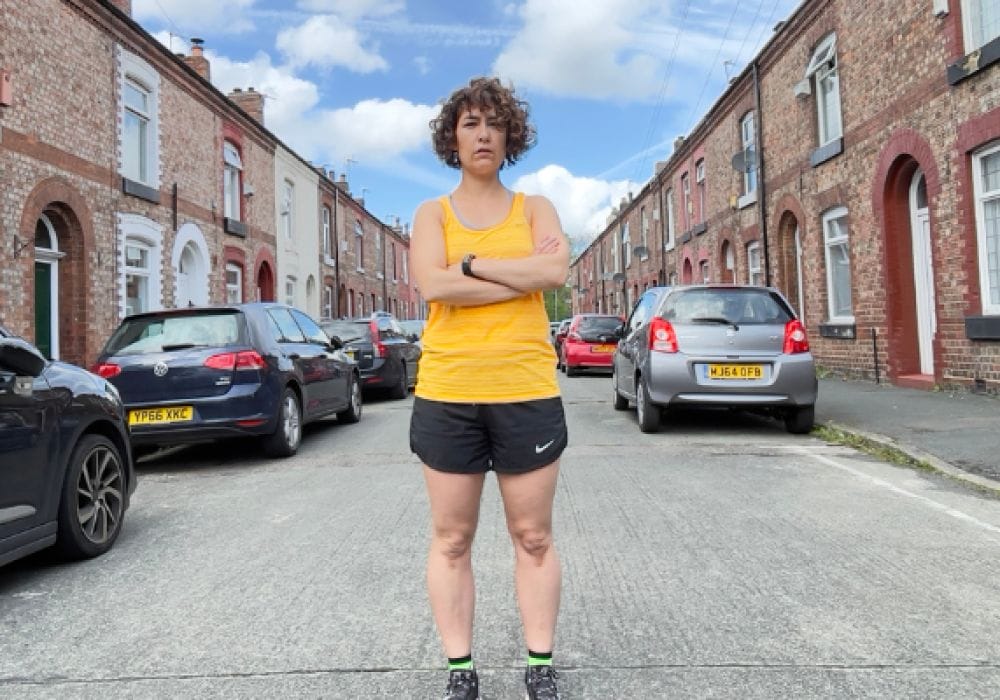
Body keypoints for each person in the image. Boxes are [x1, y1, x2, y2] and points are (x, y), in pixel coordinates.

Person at [409, 76, 570, 700]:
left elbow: (554, 271)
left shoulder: (536, 209)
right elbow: (434, 287)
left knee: (533, 536)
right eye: (470, 123)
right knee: (452, 538)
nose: (483, 134)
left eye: (494, 124)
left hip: (525, 389)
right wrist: (516, 277)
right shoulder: (432, 214)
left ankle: (539, 664)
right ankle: (460, 671)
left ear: (510, 137)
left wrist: (471, 264)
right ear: (454, 137)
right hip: (449, 391)